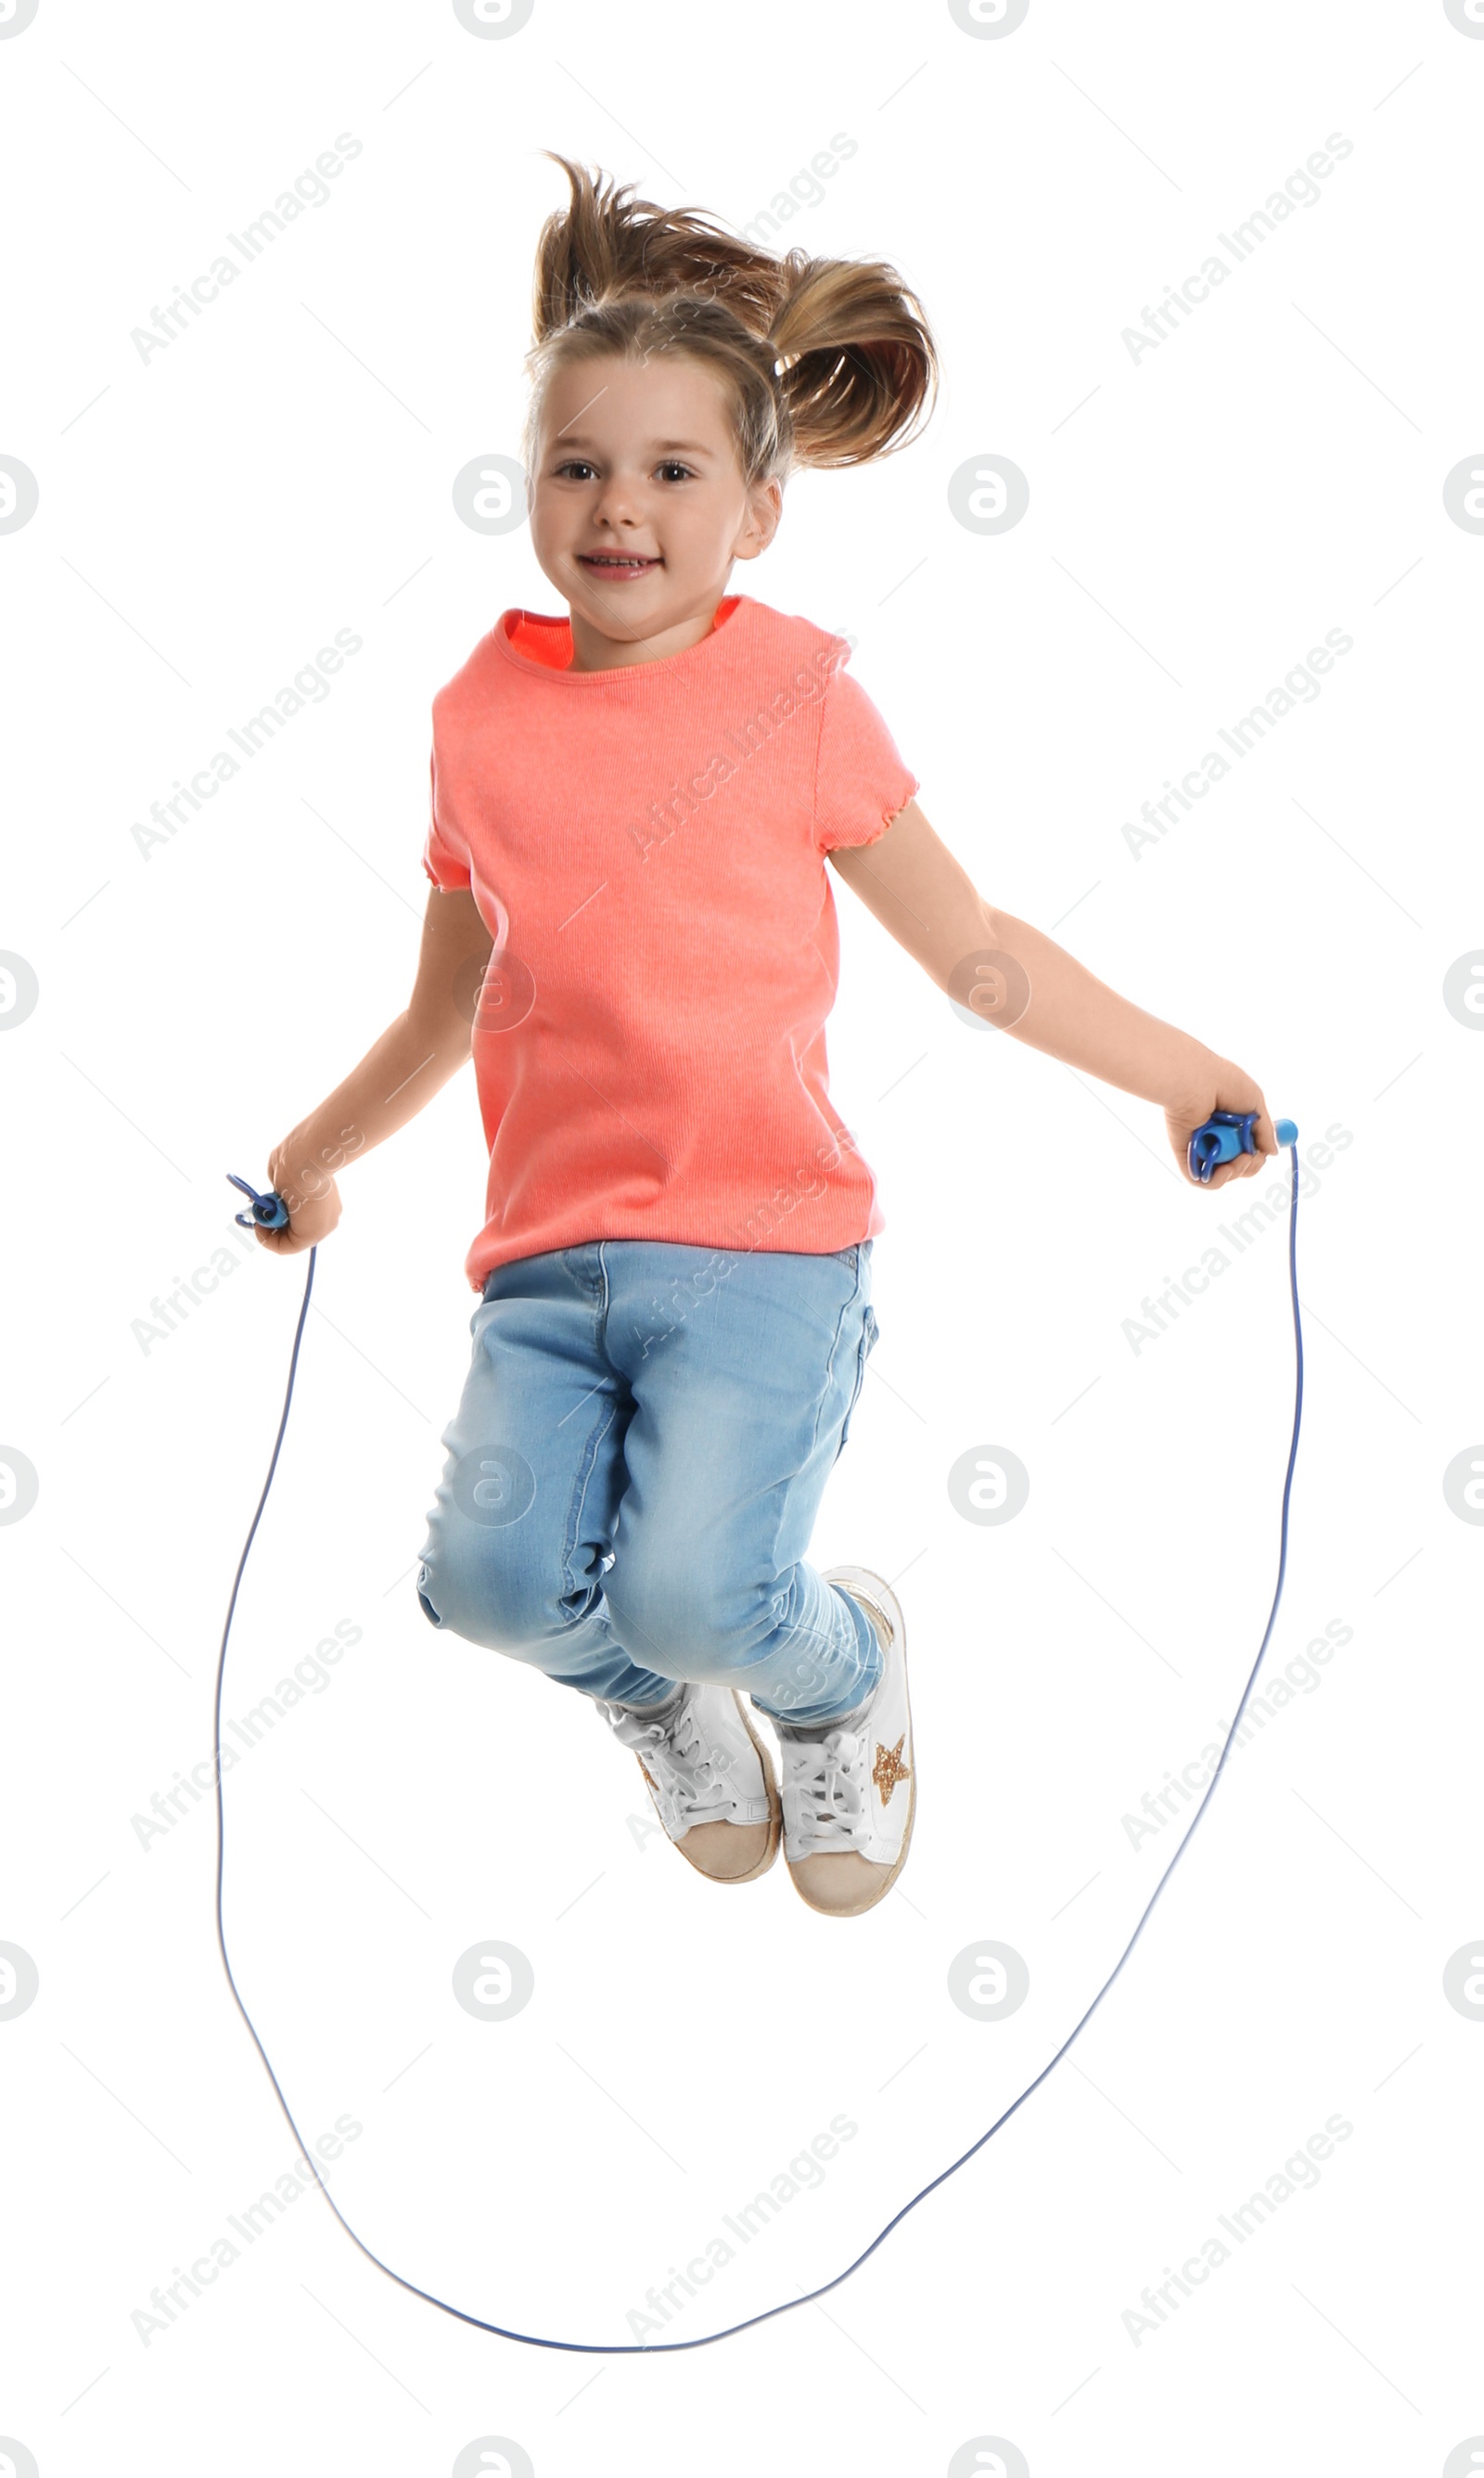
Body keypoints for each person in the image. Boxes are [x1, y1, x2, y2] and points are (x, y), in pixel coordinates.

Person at [255, 155, 1278, 1921]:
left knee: (696, 1592)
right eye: (577, 465)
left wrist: (1183, 1071)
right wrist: (311, 1157)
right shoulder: (476, 720)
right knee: (495, 1592)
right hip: (545, 1267)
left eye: (671, 471)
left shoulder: (792, 694)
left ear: (756, 508)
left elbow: (976, 956)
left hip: (764, 1254)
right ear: (529, 483)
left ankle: (836, 1674)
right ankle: (656, 1703)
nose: (618, 507)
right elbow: (447, 1001)